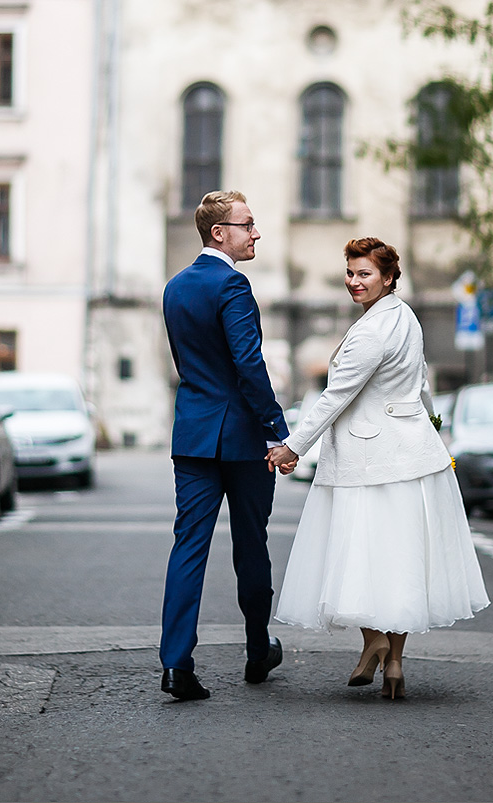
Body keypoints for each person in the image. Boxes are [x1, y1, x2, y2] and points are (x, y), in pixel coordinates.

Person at [269, 237, 489, 699]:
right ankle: (394, 664)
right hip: (410, 455)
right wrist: (432, 430)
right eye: (350, 273)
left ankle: (374, 642)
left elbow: (336, 395)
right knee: (399, 560)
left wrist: (293, 447)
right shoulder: (405, 317)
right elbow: (421, 383)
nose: (354, 281)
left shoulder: (371, 331)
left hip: (368, 460)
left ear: (388, 278)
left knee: (361, 556)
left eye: (364, 273)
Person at [159, 190, 291, 702]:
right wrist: (278, 428)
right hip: (242, 438)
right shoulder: (233, 284)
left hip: (193, 434)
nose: (256, 233)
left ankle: (176, 665)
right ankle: (258, 649)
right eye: (247, 224)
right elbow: (248, 364)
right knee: (251, 544)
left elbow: (188, 364)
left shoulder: (175, 287)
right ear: (220, 233)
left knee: (188, 548)